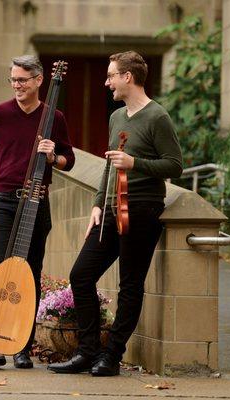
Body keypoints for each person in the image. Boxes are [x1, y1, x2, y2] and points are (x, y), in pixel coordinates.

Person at [47, 51, 183, 376]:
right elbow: (109, 164)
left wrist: (136, 164)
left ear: (128, 77)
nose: (107, 82)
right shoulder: (116, 117)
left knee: (130, 285)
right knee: (81, 275)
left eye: (111, 76)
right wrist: (97, 202)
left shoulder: (157, 117)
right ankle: (86, 352)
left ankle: (111, 356)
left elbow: (175, 165)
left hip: (142, 208)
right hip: (109, 209)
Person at [0, 55, 75, 370]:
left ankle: (21, 346)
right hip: (4, 199)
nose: (17, 85)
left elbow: (69, 160)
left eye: (22, 79)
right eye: (13, 79)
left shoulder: (54, 118)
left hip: (37, 199)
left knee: (30, 274)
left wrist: (53, 156)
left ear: (38, 80)